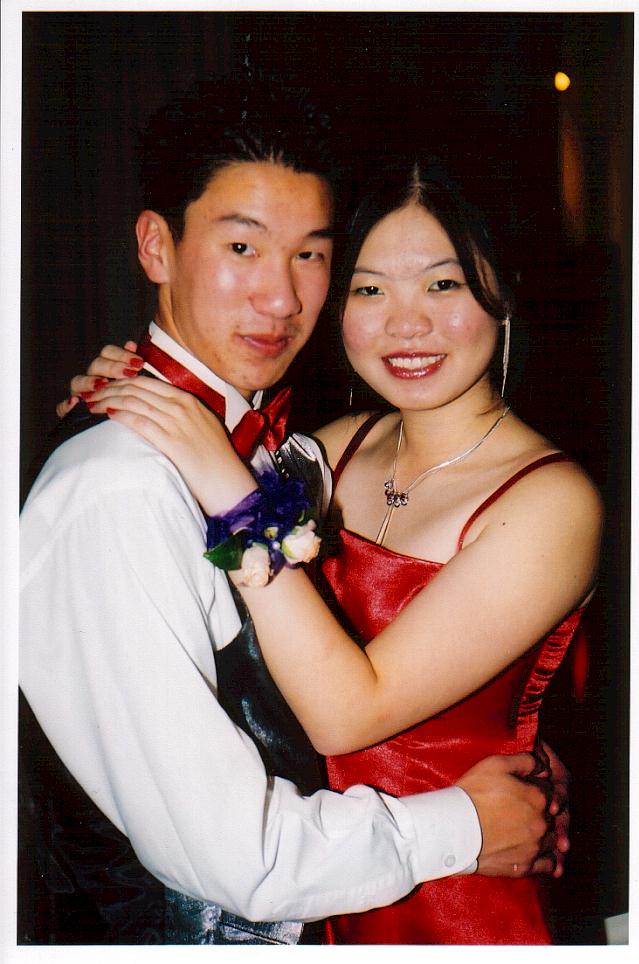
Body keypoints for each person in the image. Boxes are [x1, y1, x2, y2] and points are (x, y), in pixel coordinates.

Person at [19, 78, 561, 947]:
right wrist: (465, 823)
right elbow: (239, 858)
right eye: (242, 246)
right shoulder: (121, 490)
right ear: (157, 247)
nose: (280, 298)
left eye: (310, 255)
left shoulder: (288, 455)